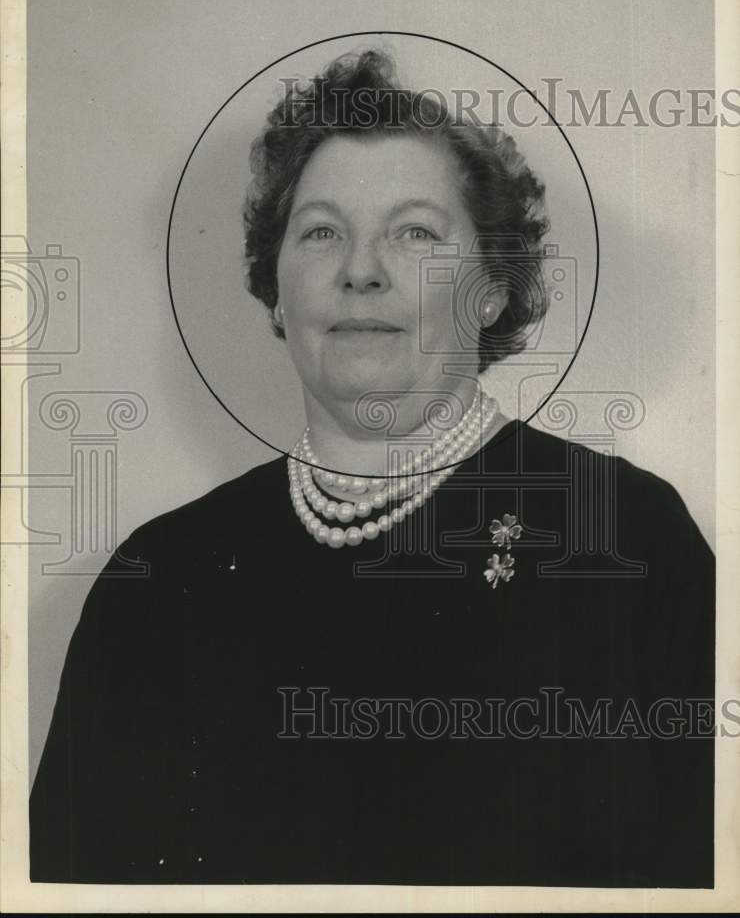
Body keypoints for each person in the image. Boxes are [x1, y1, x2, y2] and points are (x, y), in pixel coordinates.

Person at [30, 49, 714, 887]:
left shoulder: (627, 539)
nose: (361, 271)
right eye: (322, 232)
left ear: (493, 286)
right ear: (276, 289)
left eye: (415, 232)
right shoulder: (159, 574)